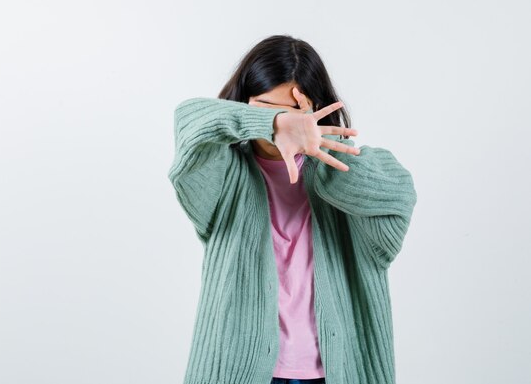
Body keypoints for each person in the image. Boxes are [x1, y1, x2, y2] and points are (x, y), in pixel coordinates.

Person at [167, 35, 418, 384]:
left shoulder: (346, 175)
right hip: (239, 372)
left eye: (293, 114)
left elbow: (396, 200)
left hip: (334, 372)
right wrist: (270, 124)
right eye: (264, 108)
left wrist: (324, 154)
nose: (281, 125)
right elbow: (188, 122)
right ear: (244, 105)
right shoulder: (224, 176)